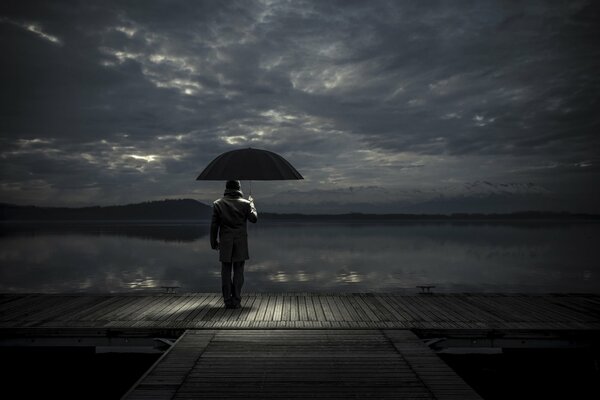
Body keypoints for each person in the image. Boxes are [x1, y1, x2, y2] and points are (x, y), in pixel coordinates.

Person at [210, 180, 258, 309]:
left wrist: (213, 242)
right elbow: (254, 219)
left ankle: (227, 300)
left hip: (225, 242)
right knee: (238, 271)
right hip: (240, 242)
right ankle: (236, 300)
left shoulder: (218, 204)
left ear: (227, 188)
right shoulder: (246, 204)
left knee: (225, 271)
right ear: (239, 188)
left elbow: (214, 225)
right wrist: (252, 204)